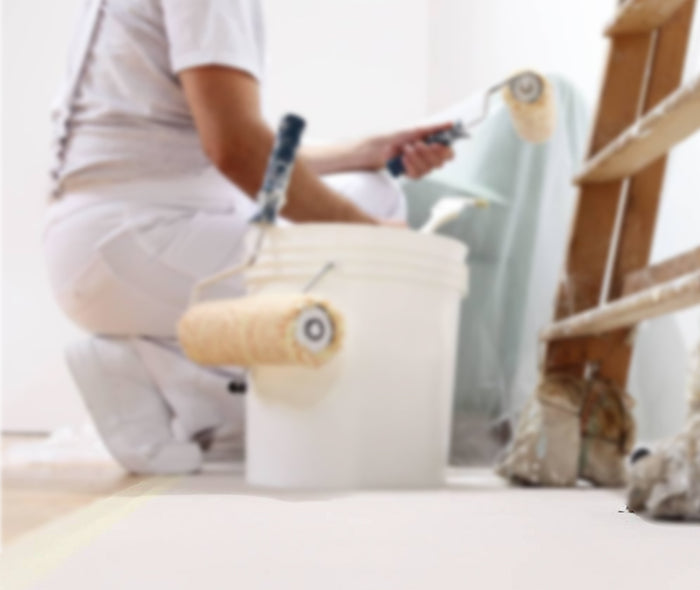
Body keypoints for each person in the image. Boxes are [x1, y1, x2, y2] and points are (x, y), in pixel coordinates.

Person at [44, 0, 455, 475]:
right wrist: (372, 240)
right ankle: (160, 375)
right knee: (360, 277)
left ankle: (166, 369)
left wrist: (365, 151)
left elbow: (228, 143)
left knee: (369, 191)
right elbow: (237, 149)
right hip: (135, 238)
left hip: (120, 235)